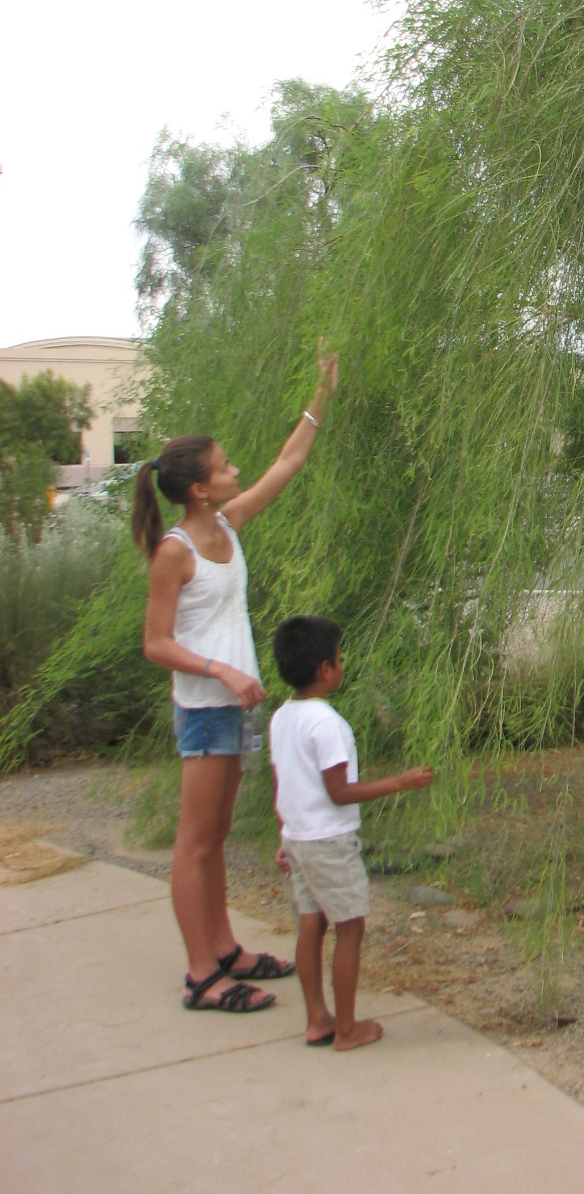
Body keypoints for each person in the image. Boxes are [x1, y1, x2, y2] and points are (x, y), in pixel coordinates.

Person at [133, 348, 339, 1014]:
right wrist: (218, 667)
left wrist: (322, 393)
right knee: (194, 842)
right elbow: (156, 643)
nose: (235, 470)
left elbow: (289, 462)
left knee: (217, 834)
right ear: (198, 487)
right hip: (204, 708)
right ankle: (202, 975)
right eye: (224, 467)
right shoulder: (176, 551)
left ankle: (225, 948)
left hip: (234, 706)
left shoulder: (228, 524)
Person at [269, 615, 434, 1050]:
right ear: (326, 669)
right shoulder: (327, 724)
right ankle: (346, 1029)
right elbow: (339, 792)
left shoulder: (282, 718)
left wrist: (285, 834)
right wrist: (401, 782)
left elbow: (282, 783)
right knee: (350, 926)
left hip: (299, 838)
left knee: (311, 922)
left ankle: (317, 1019)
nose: (343, 665)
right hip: (328, 841)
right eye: (340, 659)